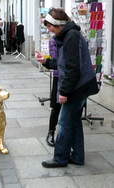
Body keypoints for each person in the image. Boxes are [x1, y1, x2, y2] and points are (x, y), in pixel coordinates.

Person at [35, 8, 99, 168]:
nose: (48, 30)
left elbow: (73, 69)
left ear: (58, 24)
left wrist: (64, 92)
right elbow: (64, 63)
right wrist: (46, 62)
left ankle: (60, 158)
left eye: (50, 26)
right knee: (75, 122)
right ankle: (77, 157)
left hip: (77, 88)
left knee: (63, 123)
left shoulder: (71, 36)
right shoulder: (69, 35)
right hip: (80, 86)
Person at [46, 35, 61, 147]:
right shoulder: (54, 40)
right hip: (59, 75)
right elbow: (55, 58)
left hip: (71, 76)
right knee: (56, 106)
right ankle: (51, 132)